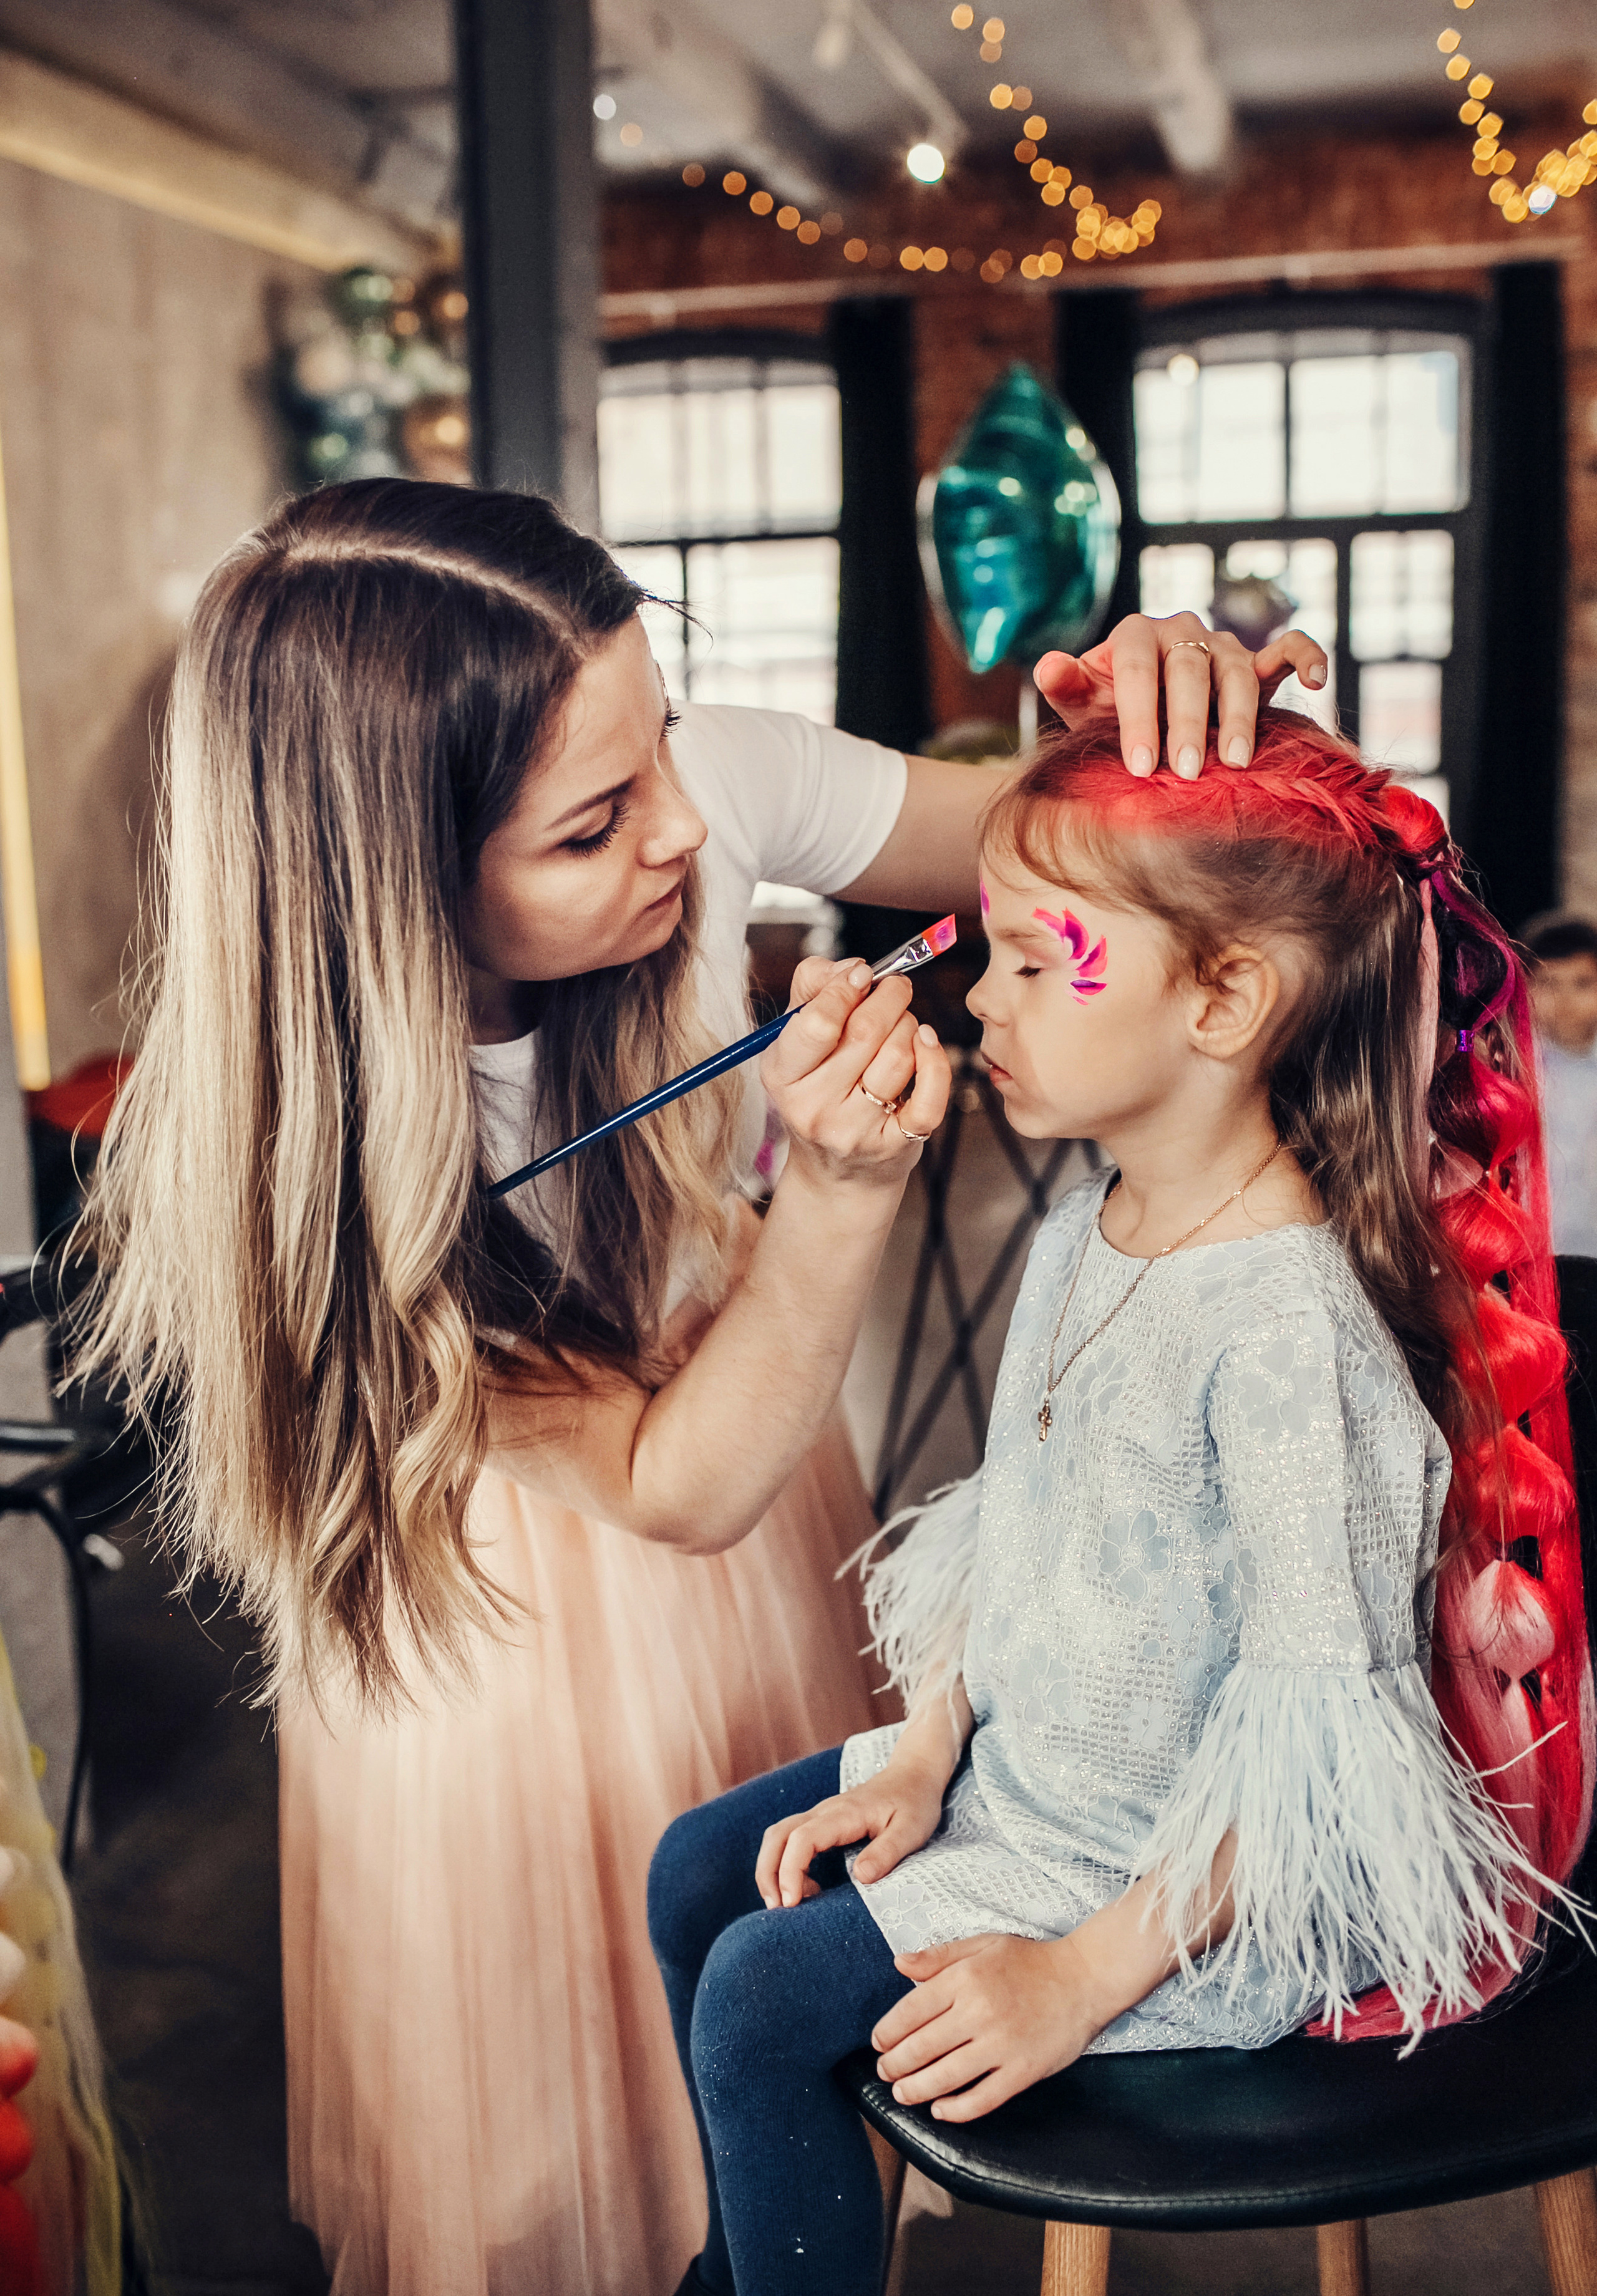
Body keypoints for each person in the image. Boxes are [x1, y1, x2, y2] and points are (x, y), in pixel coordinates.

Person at [69, 477, 1326, 2296]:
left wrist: (1170, 716)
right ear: (399, 881)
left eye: (657, 729)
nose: (682, 824)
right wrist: (830, 1195)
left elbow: (1049, 841)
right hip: (496, 1620)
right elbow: (669, 1480)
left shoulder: (691, 786)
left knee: (779, 2006)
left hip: (758, 1502)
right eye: (593, 823)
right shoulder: (314, 1174)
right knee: (548, 2143)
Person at [649, 710, 1595, 2296]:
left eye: (1036, 961)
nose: (978, 996)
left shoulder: (1293, 1332)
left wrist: (1079, 1978)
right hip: (1038, 1773)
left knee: (755, 2002)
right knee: (699, 1867)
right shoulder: (1092, 1218)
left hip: (1188, 1881)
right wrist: (931, 1746)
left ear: (1223, 997)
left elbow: (1312, 1747)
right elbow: (1016, 1527)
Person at [1522, 910, 1597, 1257]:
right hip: (1531, 1260)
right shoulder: (1510, 1071)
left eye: (1582, 984)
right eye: (1549, 984)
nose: (1564, 1002)